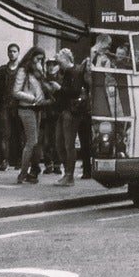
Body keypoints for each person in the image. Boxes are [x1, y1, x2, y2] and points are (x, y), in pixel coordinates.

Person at [13, 51, 47, 184]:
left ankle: (29, 171)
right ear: (31, 57)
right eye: (37, 59)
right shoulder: (23, 71)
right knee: (31, 141)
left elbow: (43, 86)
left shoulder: (37, 71)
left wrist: (41, 72)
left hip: (37, 108)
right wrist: (32, 98)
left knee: (35, 141)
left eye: (41, 59)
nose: (39, 62)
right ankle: (23, 173)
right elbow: (16, 91)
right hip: (26, 108)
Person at [54, 48, 87, 183]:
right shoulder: (67, 72)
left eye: (59, 61)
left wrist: (58, 88)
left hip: (71, 111)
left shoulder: (75, 72)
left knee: (68, 143)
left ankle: (69, 174)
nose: (58, 65)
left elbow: (74, 91)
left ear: (66, 59)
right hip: (64, 110)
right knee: (60, 142)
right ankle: (67, 172)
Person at [0, 44, 22, 172]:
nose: (12, 54)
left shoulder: (22, 69)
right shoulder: (2, 70)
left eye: (14, 51)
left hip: (18, 105)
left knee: (20, 134)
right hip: (4, 104)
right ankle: (5, 160)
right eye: (10, 51)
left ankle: (20, 160)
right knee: (5, 133)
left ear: (18, 53)